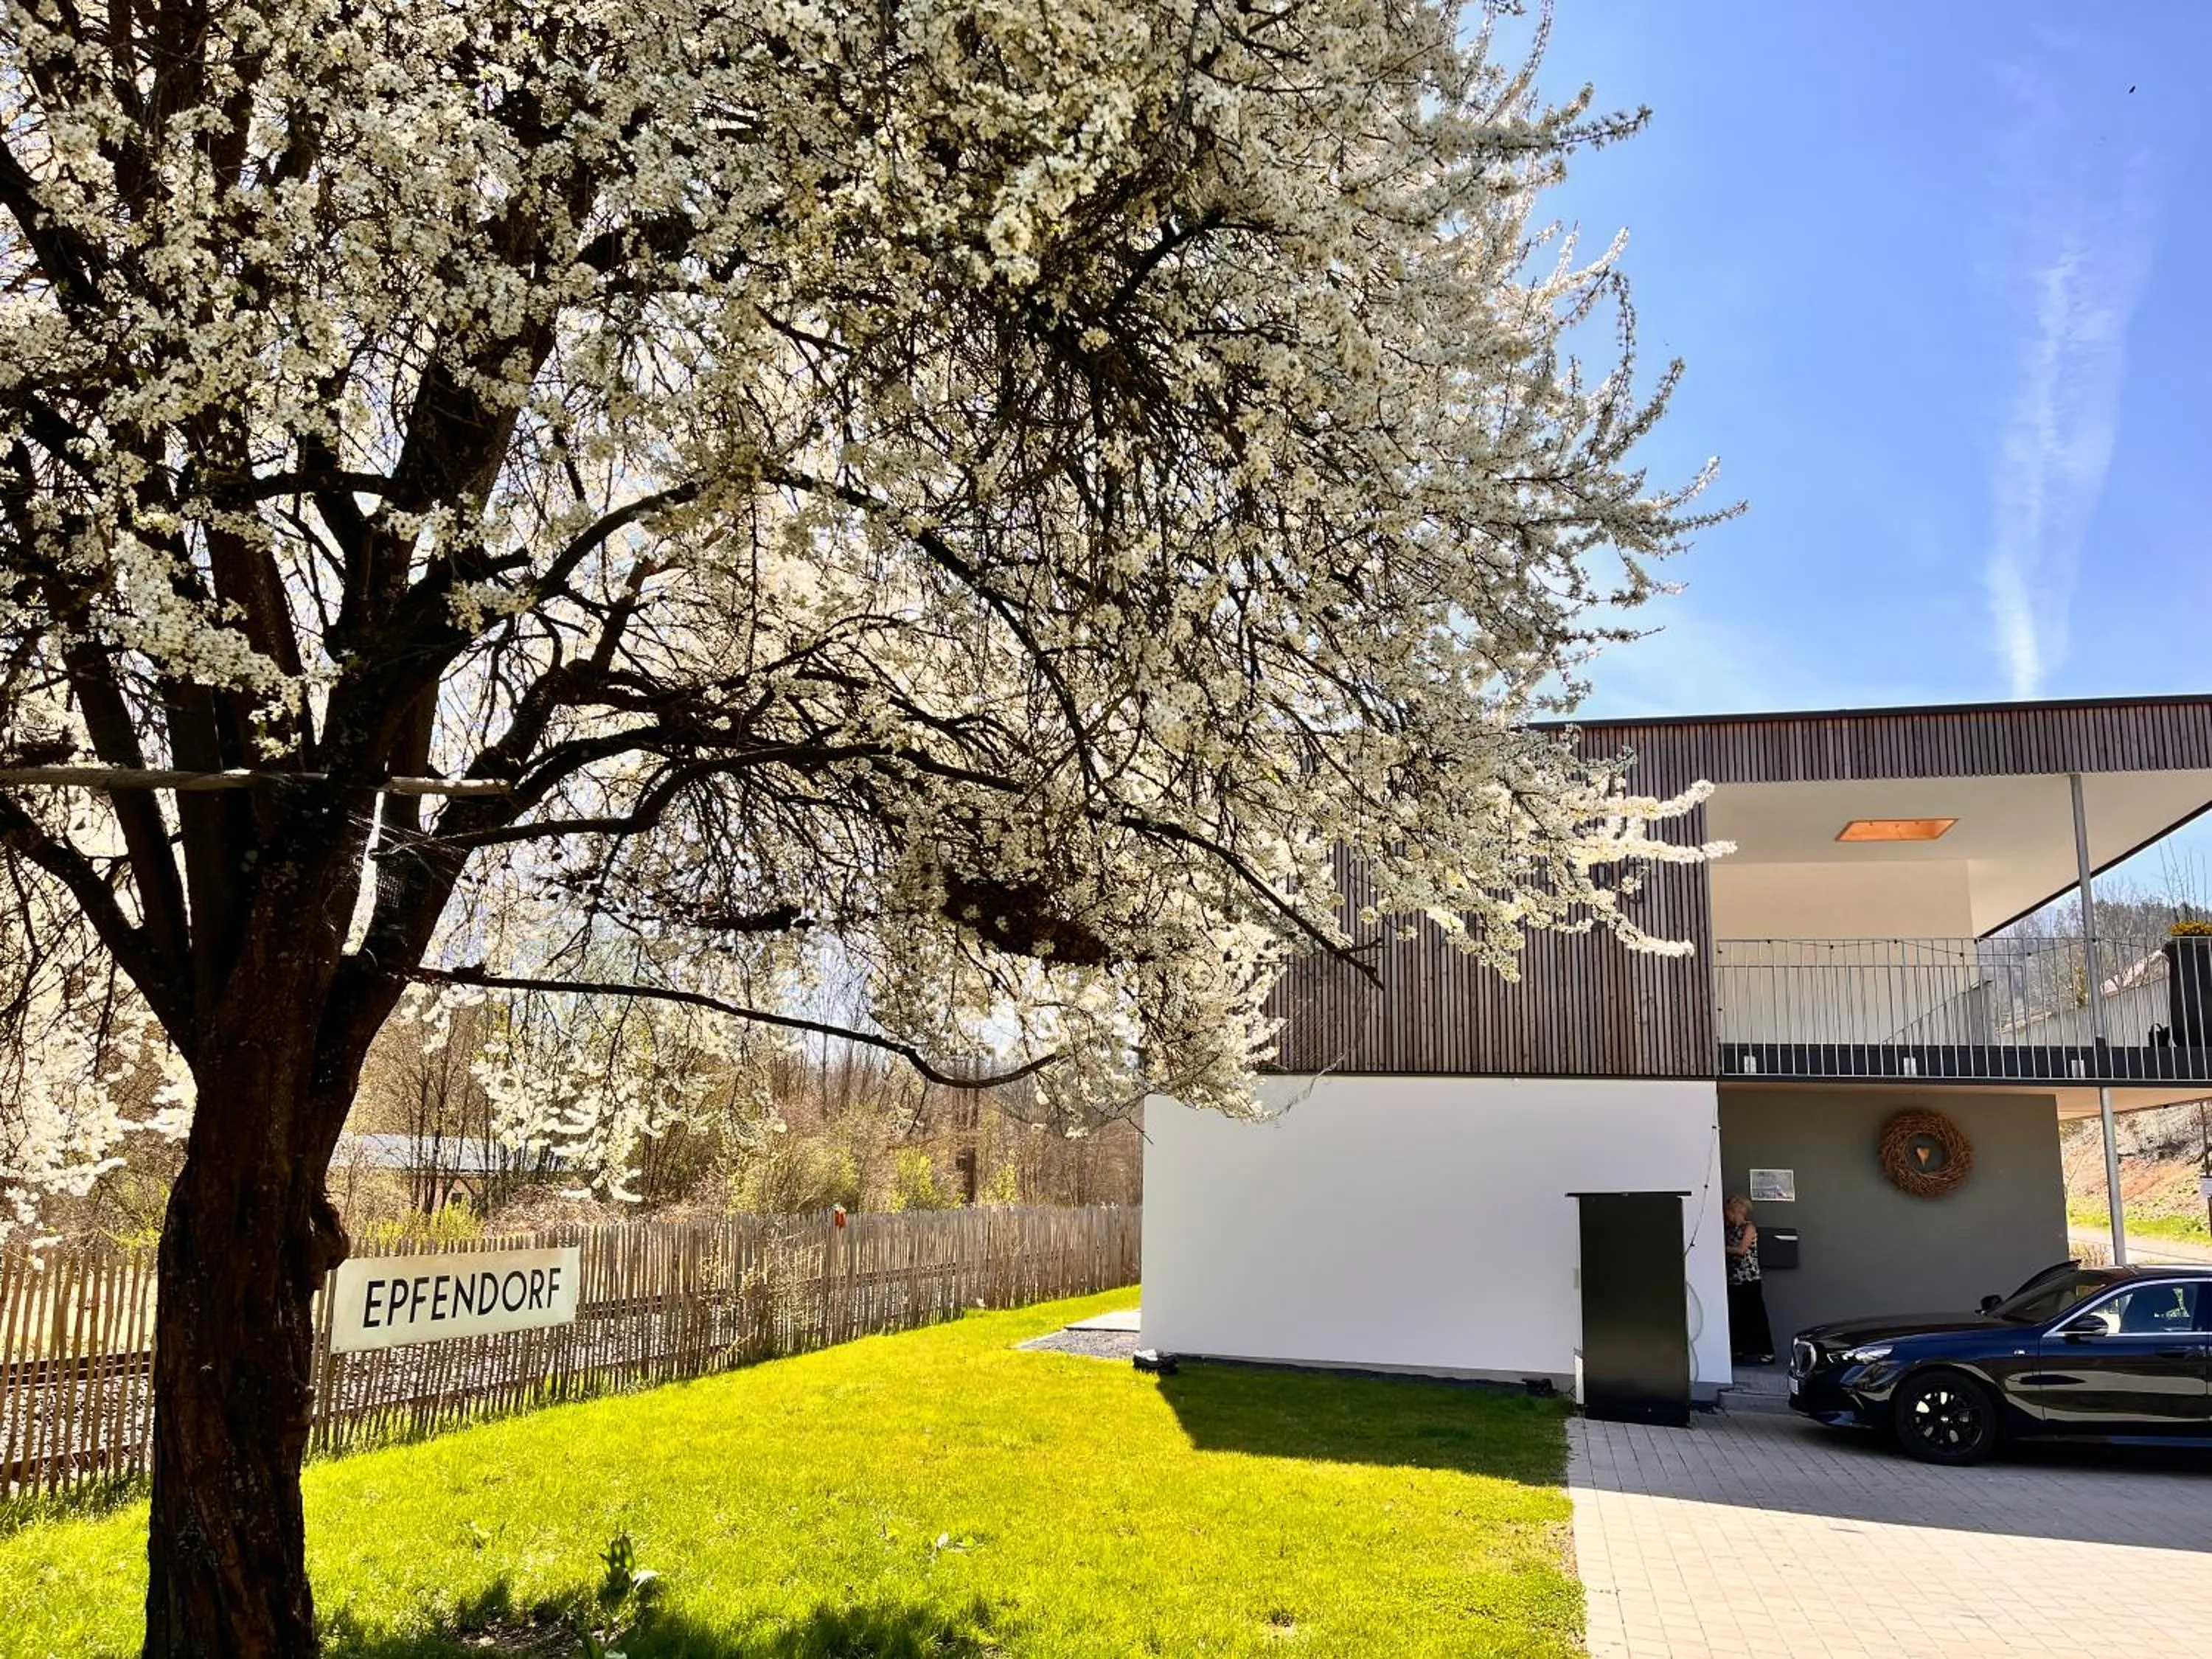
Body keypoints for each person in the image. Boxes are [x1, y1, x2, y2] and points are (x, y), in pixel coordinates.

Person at [1724, 1194, 1775, 1365]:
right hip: (1733, 1278)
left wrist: (1722, 1248)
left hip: (1749, 1277)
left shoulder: (1749, 1228)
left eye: (1730, 1212)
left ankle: (1765, 1350)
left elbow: (1741, 1250)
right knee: (1737, 1315)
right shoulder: (1729, 1229)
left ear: (1736, 1212)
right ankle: (1740, 1349)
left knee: (1755, 1314)